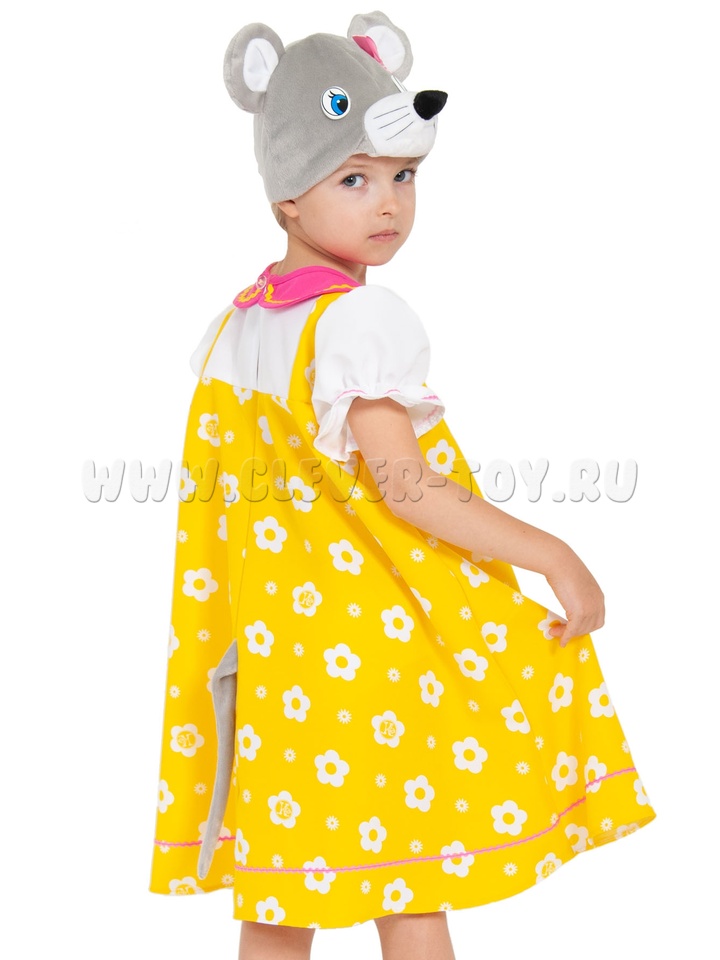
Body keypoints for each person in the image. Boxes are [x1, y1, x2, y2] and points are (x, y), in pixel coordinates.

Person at [150, 13, 655, 960]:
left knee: (282, 891)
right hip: (373, 658)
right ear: (285, 198)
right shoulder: (357, 321)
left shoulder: (239, 327)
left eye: (403, 177)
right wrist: (553, 554)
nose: (388, 205)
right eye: (354, 179)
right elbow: (408, 488)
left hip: (281, 664)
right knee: (410, 881)